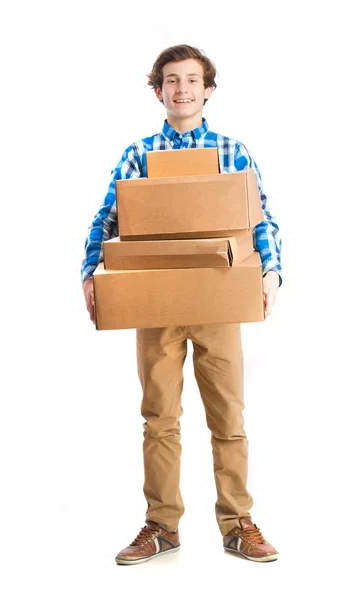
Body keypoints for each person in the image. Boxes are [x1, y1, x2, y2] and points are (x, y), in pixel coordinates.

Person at [81, 44, 283, 565]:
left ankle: (238, 523)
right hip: (156, 300)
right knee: (159, 418)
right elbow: (107, 219)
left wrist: (272, 270)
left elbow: (261, 221)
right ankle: (162, 525)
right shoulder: (138, 154)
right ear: (158, 91)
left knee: (228, 417)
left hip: (217, 297)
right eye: (172, 81)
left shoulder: (230, 152)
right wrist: (90, 276)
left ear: (208, 89)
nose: (182, 89)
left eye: (192, 80)